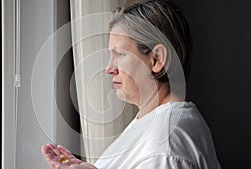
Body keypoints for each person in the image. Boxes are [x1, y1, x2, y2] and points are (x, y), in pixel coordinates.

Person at [41, 0, 221, 168]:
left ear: (156, 59)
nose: (109, 68)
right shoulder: (156, 121)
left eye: (120, 54)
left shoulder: (164, 146)